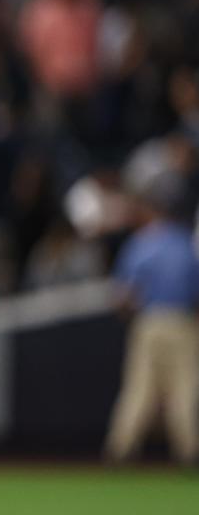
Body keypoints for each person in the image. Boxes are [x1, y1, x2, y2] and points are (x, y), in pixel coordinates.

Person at [104, 172, 199, 465]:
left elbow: (124, 295)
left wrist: (127, 316)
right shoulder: (187, 245)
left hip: (150, 321)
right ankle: (189, 452)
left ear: (154, 209)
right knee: (185, 389)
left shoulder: (142, 243)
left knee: (139, 388)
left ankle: (119, 452)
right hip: (183, 321)